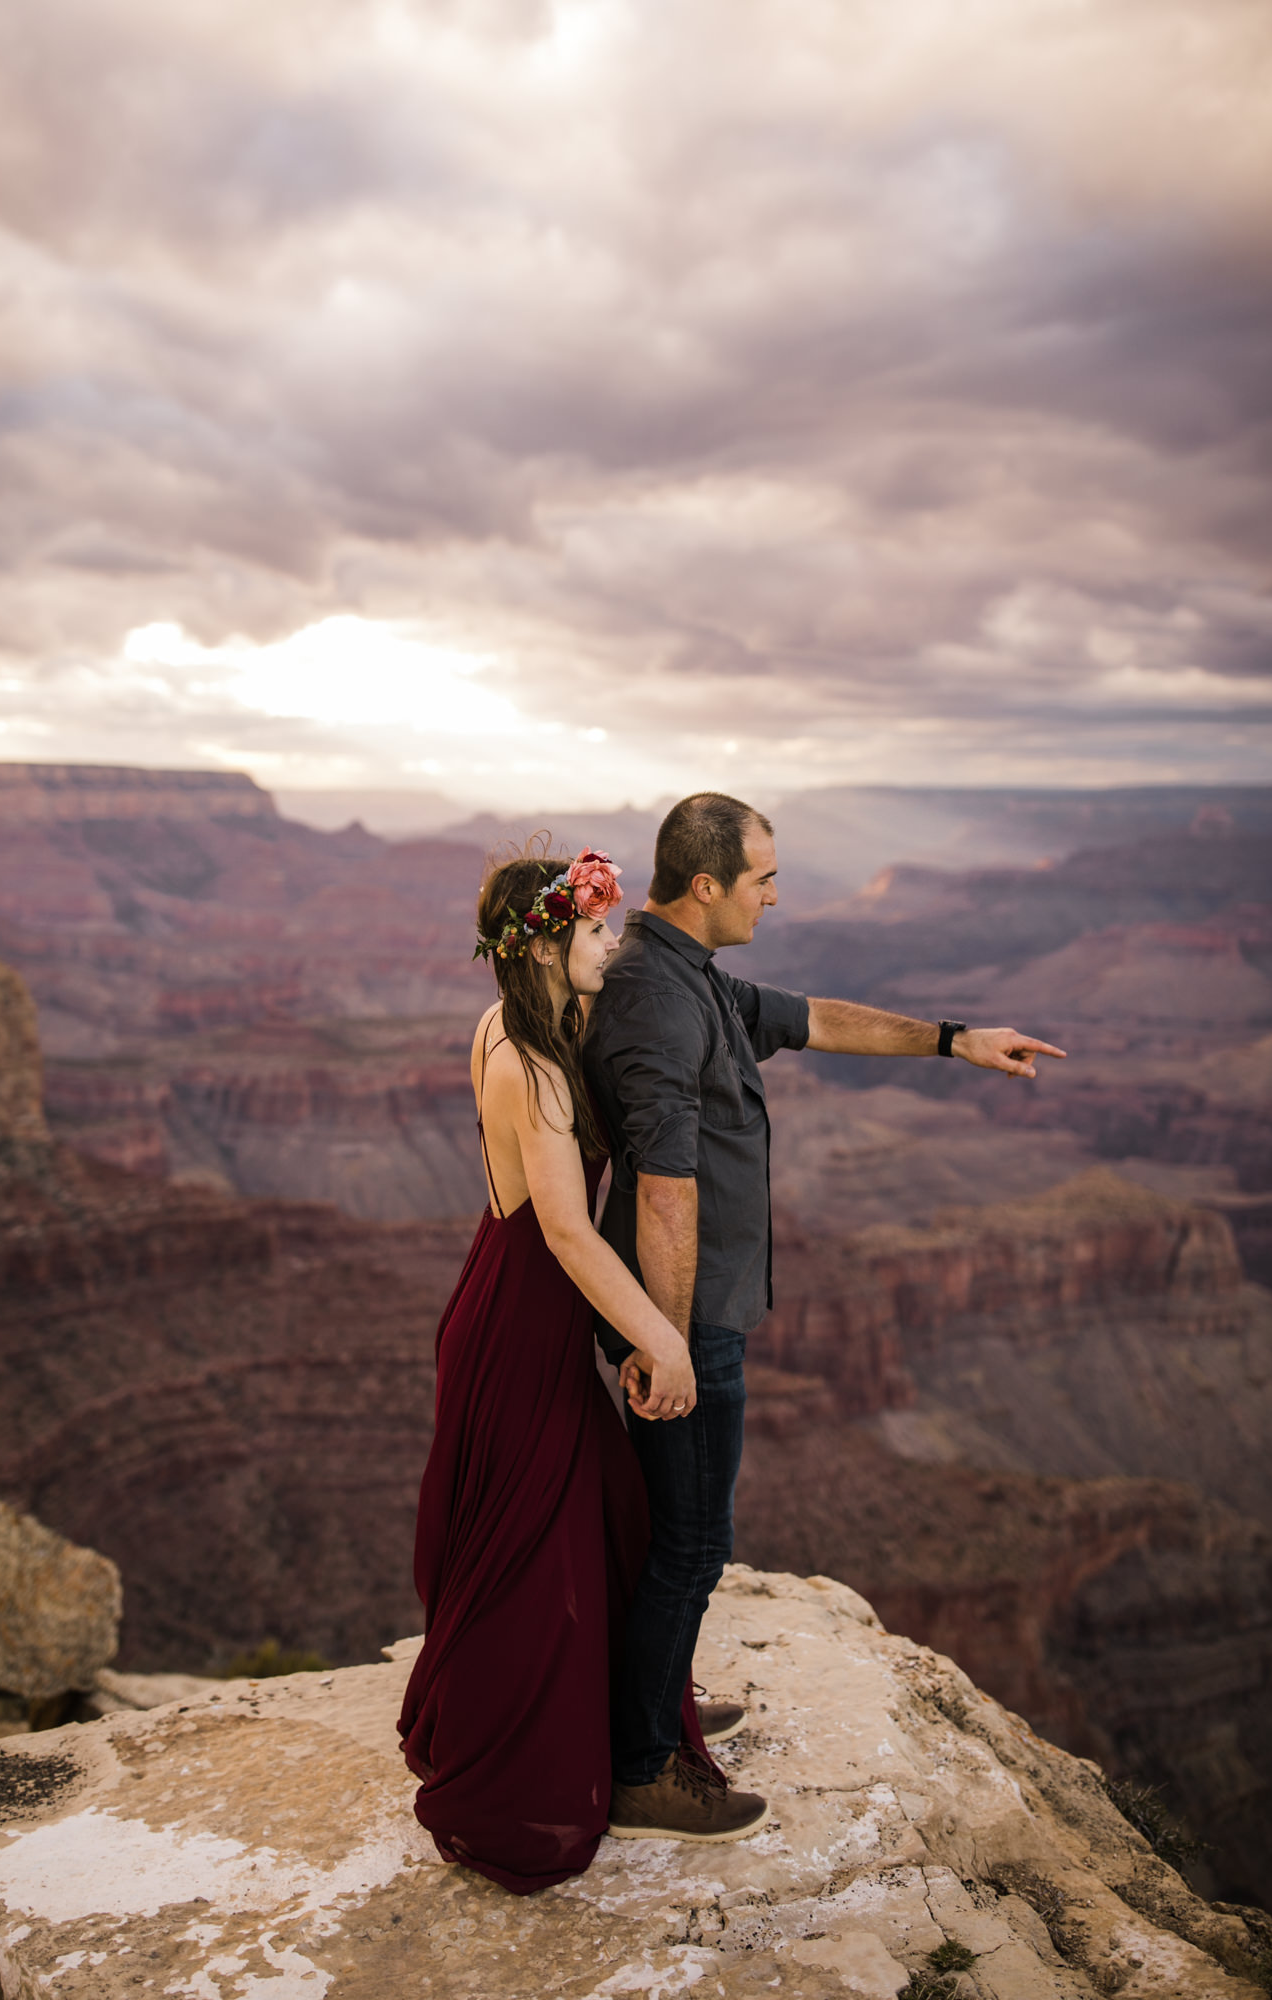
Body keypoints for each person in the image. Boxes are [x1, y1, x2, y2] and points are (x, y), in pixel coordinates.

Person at [584, 793, 1066, 1839]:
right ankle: (638, 1765)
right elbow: (664, 1189)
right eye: (762, 877)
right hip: (684, 1319)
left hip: (697, 1310)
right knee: (690, 1540)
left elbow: (814, 1019)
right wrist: (663, 1341)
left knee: (680, 1535)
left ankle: (650, 1702)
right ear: (705, 884)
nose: (773, 893)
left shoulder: (691, 973)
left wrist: (954, 1039)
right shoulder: (657, 1001)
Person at [398, 842, 768, 1898]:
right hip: (522, 1321)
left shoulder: (513, 1026)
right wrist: (662, 1337)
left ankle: (641, 1703)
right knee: (535, 1546)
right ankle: (531, 1769)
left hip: (507, 1304)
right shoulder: (532, 1064)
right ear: (553, 944)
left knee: (602, 1513)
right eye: (598, 930)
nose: (610, 943)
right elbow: (566, 1230)